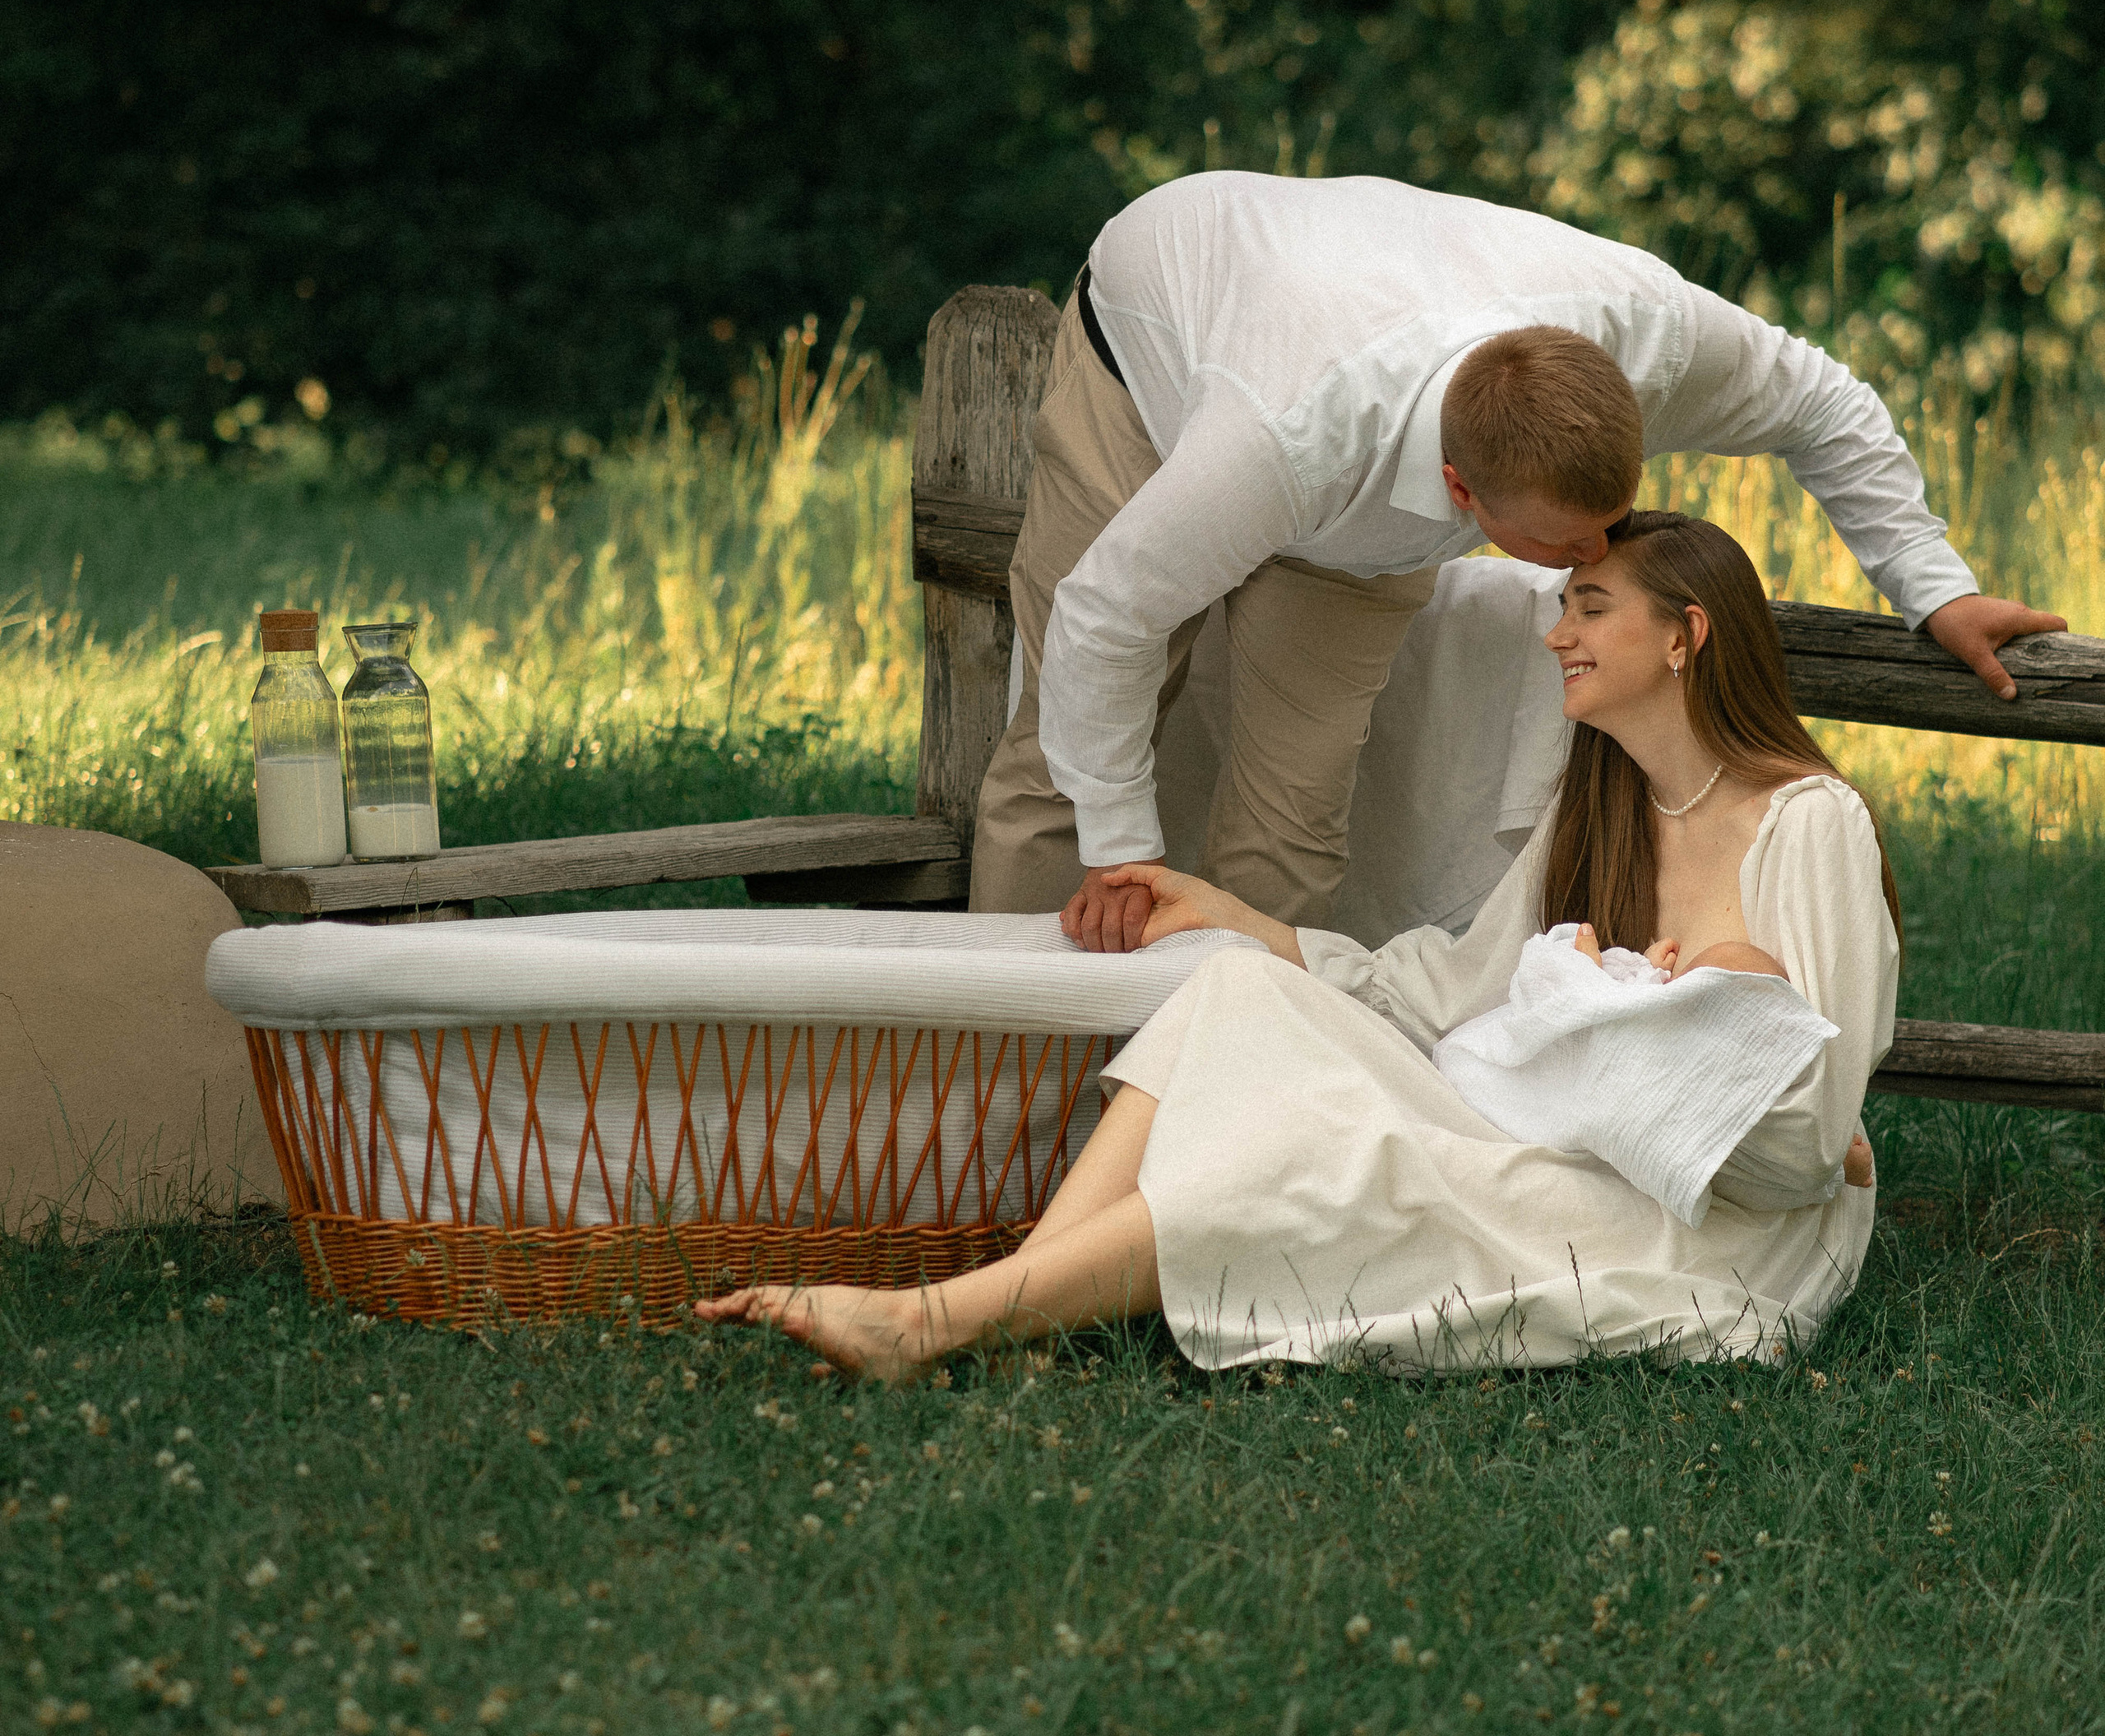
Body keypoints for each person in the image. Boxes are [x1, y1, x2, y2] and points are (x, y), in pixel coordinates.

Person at [703, 512, 1899, 1381]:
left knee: (1343, 1161)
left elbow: (1801, 1140)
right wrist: (1234, 920)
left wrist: (1640, 1036)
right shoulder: (1596, 813)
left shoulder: (1807, 824)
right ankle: (1014, 1299)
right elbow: (1445, 992)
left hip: (1714, 1226)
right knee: (1235, 997)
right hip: (1554, 1137)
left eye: (1590, 608)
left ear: (1686, 634)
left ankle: (933, 1324)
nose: (1556, 638)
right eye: (1560, 610)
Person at [966, 169, 2061, 951]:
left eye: (1611, 520)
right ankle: (989, 1110)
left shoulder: (1653, 334)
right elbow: (1106, 613)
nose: (1601, 559)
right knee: (1056, 776)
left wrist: (1937, 590)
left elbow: (1827, 403)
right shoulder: (1274, 438)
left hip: (1355, 432)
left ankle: (1209, 1108)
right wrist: (1118, 848)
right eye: (1565, 545)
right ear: (1463, 496)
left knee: (1292, 814)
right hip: (1164, 332)